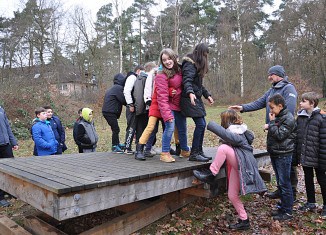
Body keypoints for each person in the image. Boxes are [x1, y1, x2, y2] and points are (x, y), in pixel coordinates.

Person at [229, 65, 298, 201]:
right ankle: (281, 189)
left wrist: (274, 124)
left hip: (283, 132)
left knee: (286, 164)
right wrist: (243, 108)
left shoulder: (288, 88)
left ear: (278, 75)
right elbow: (260, 102)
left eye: (271, 74)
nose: (269, 77)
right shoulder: (272, 90)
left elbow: (288, 112)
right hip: (273, 130)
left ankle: (291, 192)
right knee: (277, 163)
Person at [193, 110, 266, 230]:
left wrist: (210, 124)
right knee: (232, 195)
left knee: (223, 148)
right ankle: (244, 220)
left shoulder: (238, 132)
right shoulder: (235, 131)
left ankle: (212, 174)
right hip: (237, 166)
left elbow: (228, 138)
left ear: (226, 121)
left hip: (243, 164)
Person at [135, 48, 190, 162]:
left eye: (169, 58)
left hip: (170, 105)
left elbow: (172, 88)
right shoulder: (159, 74)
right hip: (156, 104)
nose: (167, 61)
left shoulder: (178, 71)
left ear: (174, 58)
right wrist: (148, 100)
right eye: (164, 60)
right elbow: (159, 93)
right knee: (152, 127)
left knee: (174, 128)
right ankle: (140, 149)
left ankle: (179, 148)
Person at [292, 92, 326, 218]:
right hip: (305, 155)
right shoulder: (300, 117)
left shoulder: (322, 118)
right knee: (307, 177)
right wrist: (297, 156)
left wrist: (323, 160)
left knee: (322, 180)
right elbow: (296, 137)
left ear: (312, 103)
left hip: (318, 157)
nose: (300, 103)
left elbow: (324, 140)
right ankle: (311, 202)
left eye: (303, 101)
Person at [180, 43, 214, 162]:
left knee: (202, 124)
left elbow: (198, 84)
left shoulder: (196, 65)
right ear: (200, 54)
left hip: (195, 97)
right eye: (205, 55)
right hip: (188, 98)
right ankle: (194, 153)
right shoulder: (189, 64)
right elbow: (187, 81)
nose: (206, 58)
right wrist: (190, 93)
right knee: (200, 124)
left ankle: (198, 151)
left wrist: (207, 95)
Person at [267, 94, 296, 221]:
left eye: (272, 108)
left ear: (280, 106)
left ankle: (288, 211)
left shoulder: (288, 118)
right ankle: (283, 206)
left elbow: (279, 135)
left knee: (285, 183)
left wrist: (271, 123)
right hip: (276, 153)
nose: (270, 111)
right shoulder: (279, 116)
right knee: (280, 182)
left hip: (283, 155)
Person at [102, 73, 127, 153]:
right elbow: (123, 100)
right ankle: (114, 146)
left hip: (108, 111)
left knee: (115, 129)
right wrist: (131, 104)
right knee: (116, 129)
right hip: (110, 112)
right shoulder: (118, 88)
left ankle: (117, 144)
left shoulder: (114, 88)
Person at [123, 65, 145, 154]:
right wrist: (130, 104)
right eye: (142, 72)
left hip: (137, 107)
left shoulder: (137, 78)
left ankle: (138, 147)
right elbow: (127, 91)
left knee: (139, 127)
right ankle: (127, 147)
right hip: (132, 107)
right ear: (138, 70)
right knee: (131, 127)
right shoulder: (132, 77)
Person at [0, 105, 19, 207]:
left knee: (10, 168)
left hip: (6, 144)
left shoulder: (1, 109)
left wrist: (13, 142)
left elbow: (7, 127)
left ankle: (10, 190)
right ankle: (1, 196)